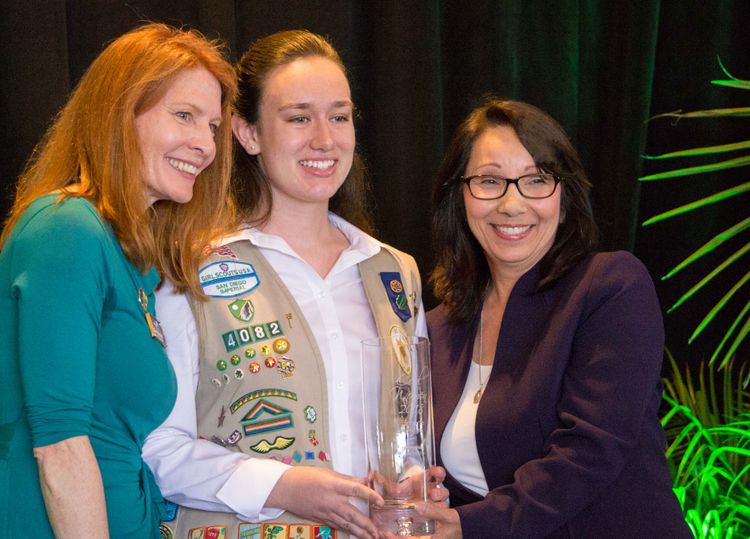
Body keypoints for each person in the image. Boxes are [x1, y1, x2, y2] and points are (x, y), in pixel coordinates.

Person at [142, 30, 442, 539]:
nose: (324, 139)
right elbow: (158, 447)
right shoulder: (188, 271)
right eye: (299, 117)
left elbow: (407, 433)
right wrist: (281, 486)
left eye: (339, 117)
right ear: (248, 134)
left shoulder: (395, 271)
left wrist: (410, 477)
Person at [0, 23, 236, 538]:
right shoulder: (66, 229)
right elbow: (59, 444)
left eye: (213, 126)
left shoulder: (132, 261)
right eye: (184, 116)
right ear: (118, 115)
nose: (205, 144)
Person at [418, 98, 692, 538]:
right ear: (460, 195)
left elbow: (589, 452)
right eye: (490, 181)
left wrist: (467, 526)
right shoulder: (437, 328)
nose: (512, 204)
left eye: (536, 180)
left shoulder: (610, 287)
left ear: (563, 197)